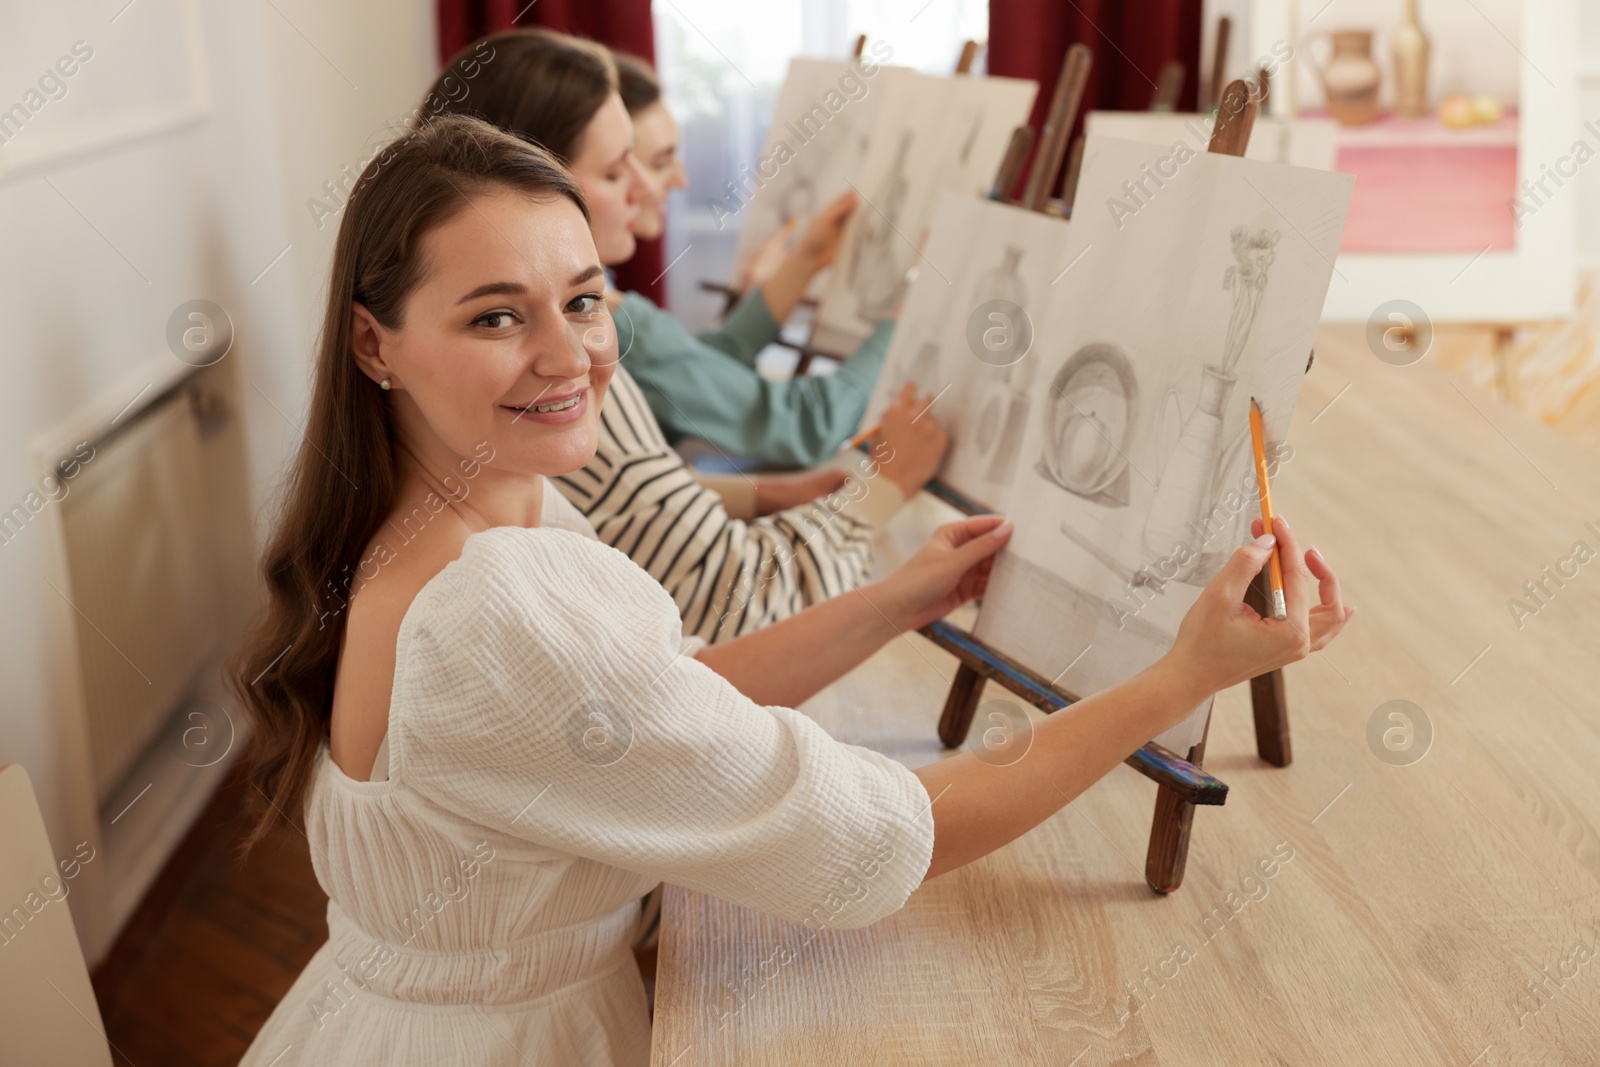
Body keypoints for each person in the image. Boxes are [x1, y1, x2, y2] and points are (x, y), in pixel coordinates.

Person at [232, 113, 1351, 1066]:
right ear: (375, 344)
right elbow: (897, 828)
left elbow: (659, 697)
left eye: (584, 299)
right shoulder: (491, 614)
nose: (568, 354)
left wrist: (893, 599)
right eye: (495, 315)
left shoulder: (478, 500)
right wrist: (1180, 677)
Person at [430, 30, 943, 641]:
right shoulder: (581, 359)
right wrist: (899, 328)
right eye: (625, 168)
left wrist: (797, 271)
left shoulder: (545, 361)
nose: (664, 184)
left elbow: (685, 388)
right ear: (536, 179)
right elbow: (740, 585)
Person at [432, 29, 896, 468]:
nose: (652, 186)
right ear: (538, 180)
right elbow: (799, 423)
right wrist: (902, 315)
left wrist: (805, 262)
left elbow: (694, 369)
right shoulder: (608, 330)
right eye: (617, 170)